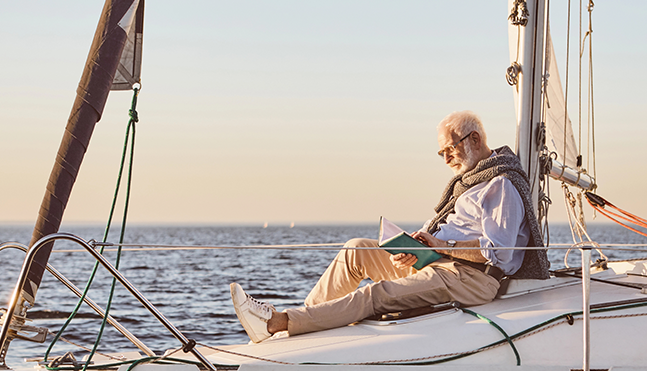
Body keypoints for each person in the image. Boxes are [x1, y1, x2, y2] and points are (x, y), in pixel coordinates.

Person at [230, 110, 550, 343]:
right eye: (441, 152)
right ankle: (310, 323)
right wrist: (415, 250)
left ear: (475, 139)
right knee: (356, 250)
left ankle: (277, 323)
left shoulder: (500, 185)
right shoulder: (466, 183)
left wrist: (439, 248)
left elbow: (501, 255)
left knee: (377, 294)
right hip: (438, 262)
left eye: (450, 149)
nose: (446, 159)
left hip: (472, 279)